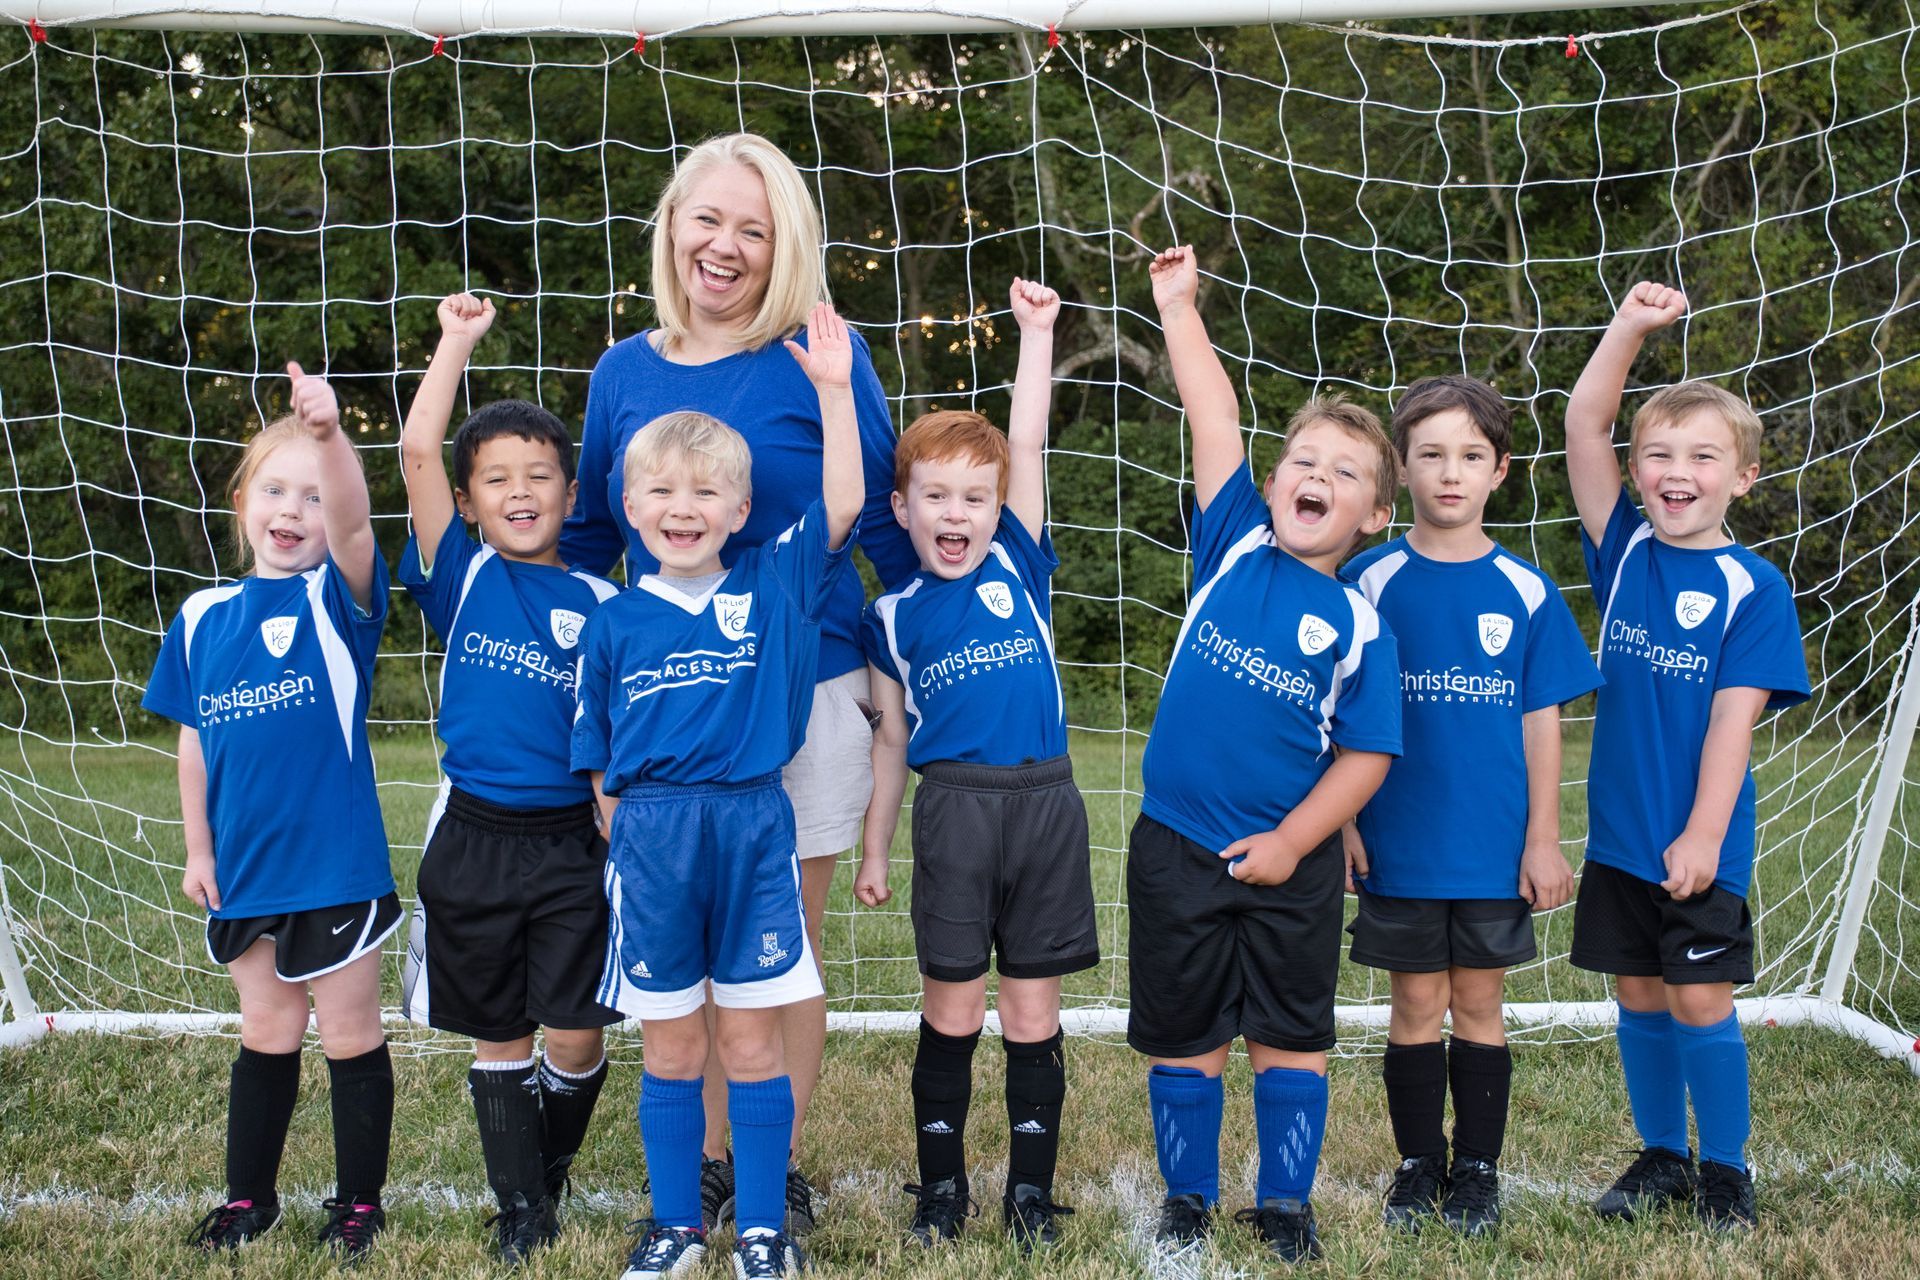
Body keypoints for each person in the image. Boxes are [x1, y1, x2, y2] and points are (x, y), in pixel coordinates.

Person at [562, 133, 914, 1233]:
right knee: (686, 960)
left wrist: (925, 653)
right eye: (707, 219)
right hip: (666, 709)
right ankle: (705, 1164)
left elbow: (883, 518)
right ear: (672, 226)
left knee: (777, 959)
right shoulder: (624, 369)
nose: (726, 245)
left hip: (800, 692)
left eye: (754, 230)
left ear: (785, 247)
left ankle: (761, 1170)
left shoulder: (820, 351)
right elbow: (582, 536)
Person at [572, 304, 861, 1280]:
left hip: (750, 823)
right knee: (670, 1041)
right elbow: (600, 761)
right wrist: (625, 835)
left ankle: (766, 1224)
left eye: (707, 490)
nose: (683, 503)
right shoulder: (613, 621)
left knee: (747, 1036)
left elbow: (848, 502)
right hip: (654, 838)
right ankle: (675, 1224)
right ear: (629, 502)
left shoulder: (774, 584)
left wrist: (831, 389)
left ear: (741, 510)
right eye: (661, 488)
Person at [1131, 246, 1402, 1264]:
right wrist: (1179, 308)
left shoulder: (1360, 622)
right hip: (1176, 846)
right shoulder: (1234, 538)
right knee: (1185, 1033)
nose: (1317, 477)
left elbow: (1366, 756)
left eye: (1346, 474)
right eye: (1306, 462)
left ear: (1374, 514)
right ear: (1274, 479)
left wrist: (1297, 841)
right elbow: (1212, 416)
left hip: (1292, 866)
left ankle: (1285, 1202)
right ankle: (1187, 1198)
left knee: (1291, 1033)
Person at [854, 279, 1096, 1252]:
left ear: (999, 509)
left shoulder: (1016, 564)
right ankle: (942, 1188)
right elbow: (887, 740)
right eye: (937, 496)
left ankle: (1029, 1192)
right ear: (904, 508)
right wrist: (876, 845)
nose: (958, 513)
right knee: (951, 1006)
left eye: (976, 497)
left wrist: (1035, 333)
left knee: (1032, 1010)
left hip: (1045, 804)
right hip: (951, 810)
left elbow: (1027, 443)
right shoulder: (892, 616)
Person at [1562, 282, 1810, 1230]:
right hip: (1621, 840)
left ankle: (1728, 1172)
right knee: (1638, 993)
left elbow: (1731, 724)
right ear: (1637, 472)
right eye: (1658, 454)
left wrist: (1705, 834)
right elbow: (1587, 425)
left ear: (1740, 478)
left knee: (1700, 999)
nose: (1677, 470)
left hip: (1699, 843)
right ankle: (1664, 1153)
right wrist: (1626, 328)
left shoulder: (1754, 588)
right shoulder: (1623, 552)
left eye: (1703, 456)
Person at [145, 364, 397, 1262]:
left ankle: (359, 1205)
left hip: (334, 865)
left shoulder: (340, 604)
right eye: (276, 490)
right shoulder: (202, 614)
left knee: (350, 1035)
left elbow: (361, 524)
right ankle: (249, 1199)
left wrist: (330, 436)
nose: (294, 511)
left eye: (313, 497)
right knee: (265, 1034)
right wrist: (197, 847)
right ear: (243, 499)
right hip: (245, 868)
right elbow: (196, 740)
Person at [1342, 375, 1602, 1235]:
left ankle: (1479, 1174)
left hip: (1492, 846)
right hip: (1397, 841)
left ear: (1500, 471)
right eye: (1430, 455)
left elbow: (1541, 724)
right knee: (1415, 1007)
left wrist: (1543, 837)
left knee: (1480, 1006)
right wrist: (1342, 821)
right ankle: (1419, 1167)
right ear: (1400, 469)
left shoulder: (1526, 592)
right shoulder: (1367, 581)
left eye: (1471, 456)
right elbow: (1332, 710)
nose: (1450, 473)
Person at [394, 293, 623, 1263]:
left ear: (572, 497)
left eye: (539, 475)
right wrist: (455, 343)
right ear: (473, 498)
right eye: (495, 478)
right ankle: (522, 1208)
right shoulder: (464, 573)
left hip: (574, 841)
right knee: (500, 1035)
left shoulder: (608, 600)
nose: (519, 490)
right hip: (477, 837)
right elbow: (414, 454)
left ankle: (549, 1168)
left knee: (574, 1032)